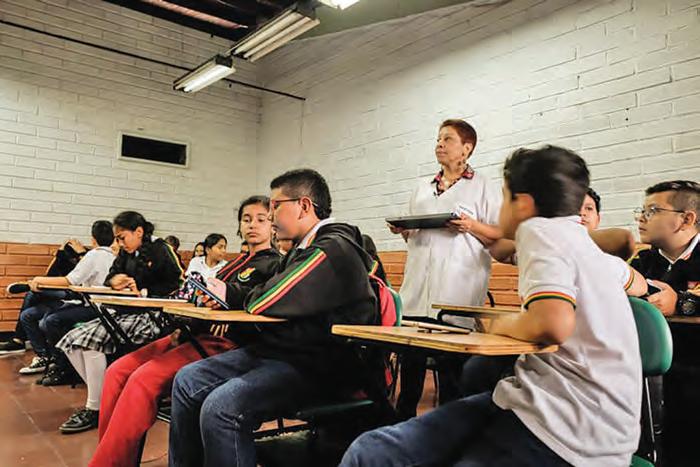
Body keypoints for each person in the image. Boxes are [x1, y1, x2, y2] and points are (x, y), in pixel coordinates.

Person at [341, 145, 647, 467]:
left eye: (504, 197)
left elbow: (553, 323)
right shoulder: (584, 245)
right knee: (376, 448)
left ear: (522, 204)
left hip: (566, 432)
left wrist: (501, 323)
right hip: (576, 420)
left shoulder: (538, 231)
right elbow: (637, 283)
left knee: (372, 452)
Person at [168, 169, 380, 467]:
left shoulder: (333, 248)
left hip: (320, 365)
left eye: (276, 206)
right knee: (187, 380)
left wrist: (233, 294)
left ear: (304, 206)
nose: (270, 215)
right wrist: (229, 292)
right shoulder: (303, 248)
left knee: (222, 407)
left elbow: (269, 297)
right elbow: (266, 290)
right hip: (283, 352)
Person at [89, 196, 282, 467]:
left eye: (261, 219)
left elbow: (260, 305)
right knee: (116, 372)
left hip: (225, 344)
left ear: (274, 225)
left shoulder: (275, 265)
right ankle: (115, 459)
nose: (252, 225)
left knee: (142, 380)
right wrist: (188, 320)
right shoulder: (231, 266)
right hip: (192, 332)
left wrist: (226, 308)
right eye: (246, 219)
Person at [389, 119, 502, 419]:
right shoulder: (422, 188)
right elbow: (413, 236)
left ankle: (449, 429)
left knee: (451, 373)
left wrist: (470, 225)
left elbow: (499, 234)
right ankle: (403, 425)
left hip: (457, 291)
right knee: (410, 369)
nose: (439, 144)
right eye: (438, 139)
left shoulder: (484, 186)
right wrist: (403, 229)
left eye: (448, 139)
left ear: (467, 148)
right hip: (417, 290)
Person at [55, 211, 183, 434]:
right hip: (125, 312)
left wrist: (144, 291)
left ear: (139, 232)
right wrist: (116, 280)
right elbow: (110, 276)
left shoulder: (160, 249)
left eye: (122, 237)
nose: (119, 243)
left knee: (90, 343)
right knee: (72, 342)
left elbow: (177, 283)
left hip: (153, 315)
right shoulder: (125, 253)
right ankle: (104, 398)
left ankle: (95, 407)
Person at [630, 180, 700, 464]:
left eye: (652, 211)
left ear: (687, 219)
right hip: (648, 378)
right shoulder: (642, 262)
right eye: (641, 210)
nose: (641, 218)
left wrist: (681, 303)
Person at [16, 221, 115, 377]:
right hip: (92, 303)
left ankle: (62, 365)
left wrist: (36, 280)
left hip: (95, 306)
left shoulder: (94, 255)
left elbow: (70, 281)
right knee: (30, 313)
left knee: (50, 320)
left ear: (93, 239)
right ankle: (46, 357)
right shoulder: (114, 256)